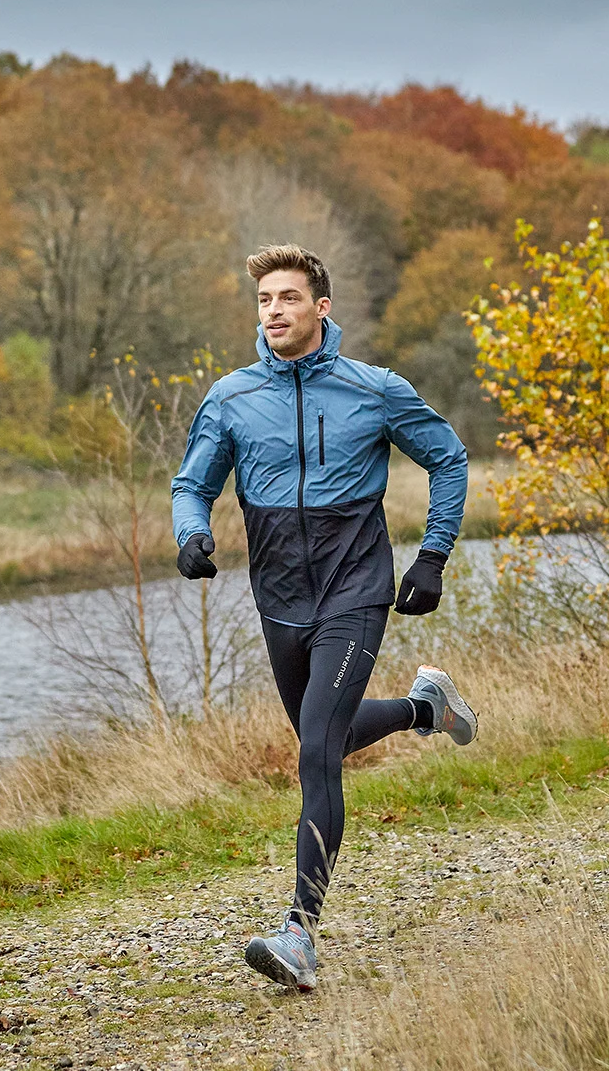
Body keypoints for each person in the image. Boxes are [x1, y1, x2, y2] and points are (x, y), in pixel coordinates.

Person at [171, 243, 477, 991]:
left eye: (288, 297)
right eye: (264, 300)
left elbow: (449, 458)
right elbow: (191, 484)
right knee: (326, 740)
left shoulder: (375, 389)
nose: (273, 310)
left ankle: (299, 933)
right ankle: (423, 708)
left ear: (321, 307)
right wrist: (191, 535)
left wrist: (433, 555)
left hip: (355, 589)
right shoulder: (232, 397)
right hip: (280, 598)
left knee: (315, 752)